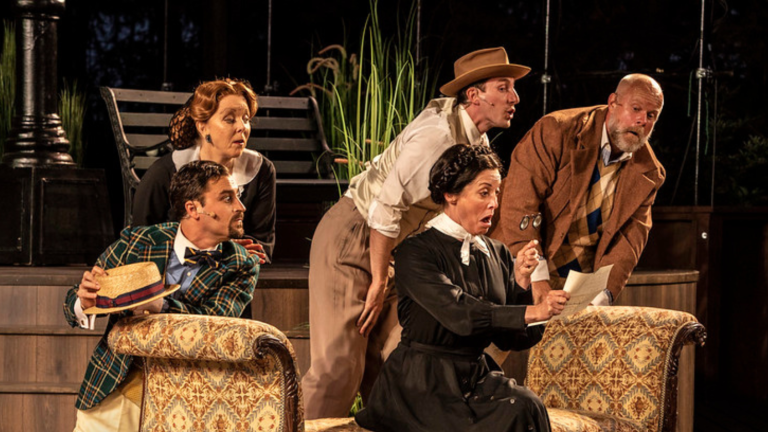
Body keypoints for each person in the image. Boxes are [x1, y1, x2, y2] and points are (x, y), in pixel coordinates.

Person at [303, 46, 532, 419]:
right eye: (504, 88)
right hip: (355, 235)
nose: (515, 98)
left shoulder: (476, 143)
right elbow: (385, 208)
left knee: (403, 360)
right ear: (474, 95)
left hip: (397, 248)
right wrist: (379, 279)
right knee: (339, 370)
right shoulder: (436, 136)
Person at [354, 144, 569, 432]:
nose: (494, 203)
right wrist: (533, 310)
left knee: (527, 405)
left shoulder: (496, 252)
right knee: (509, 415)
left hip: (474, 378)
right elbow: (460, 314)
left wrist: (520, 284)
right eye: (484, 193)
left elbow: (511, 340)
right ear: (451, 194)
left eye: (496, 193)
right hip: (421, 385)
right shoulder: (415, 252)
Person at [64, 160, 259, 432]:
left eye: (237, 196)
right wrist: (83, 302)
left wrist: (161, 305)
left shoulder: (241, 264)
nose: (241, 207)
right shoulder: (139, 241)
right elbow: (73, 300)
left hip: (188, 401)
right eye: (227, 198)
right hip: (115, 391)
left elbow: (214, 324)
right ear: (193, 209)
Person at [490, 73, 666, 305]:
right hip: (519, 271)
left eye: (651, 115)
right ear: (613, 102)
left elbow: (629, 243)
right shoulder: (557, 131)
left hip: (577, 288)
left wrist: (602, 296)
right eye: (636, 109)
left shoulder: (649, 172)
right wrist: (537, 278)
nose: (642, 120)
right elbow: (520, 202)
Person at [132, 78, 276, 264]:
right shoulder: (165, 172)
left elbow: (262, 245)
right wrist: (222, 251)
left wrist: (229, 254)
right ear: (202, 126)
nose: (242, 127)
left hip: (238, 272)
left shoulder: (260, 170)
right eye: (229, 119)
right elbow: (140, 241)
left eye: (246, 119)